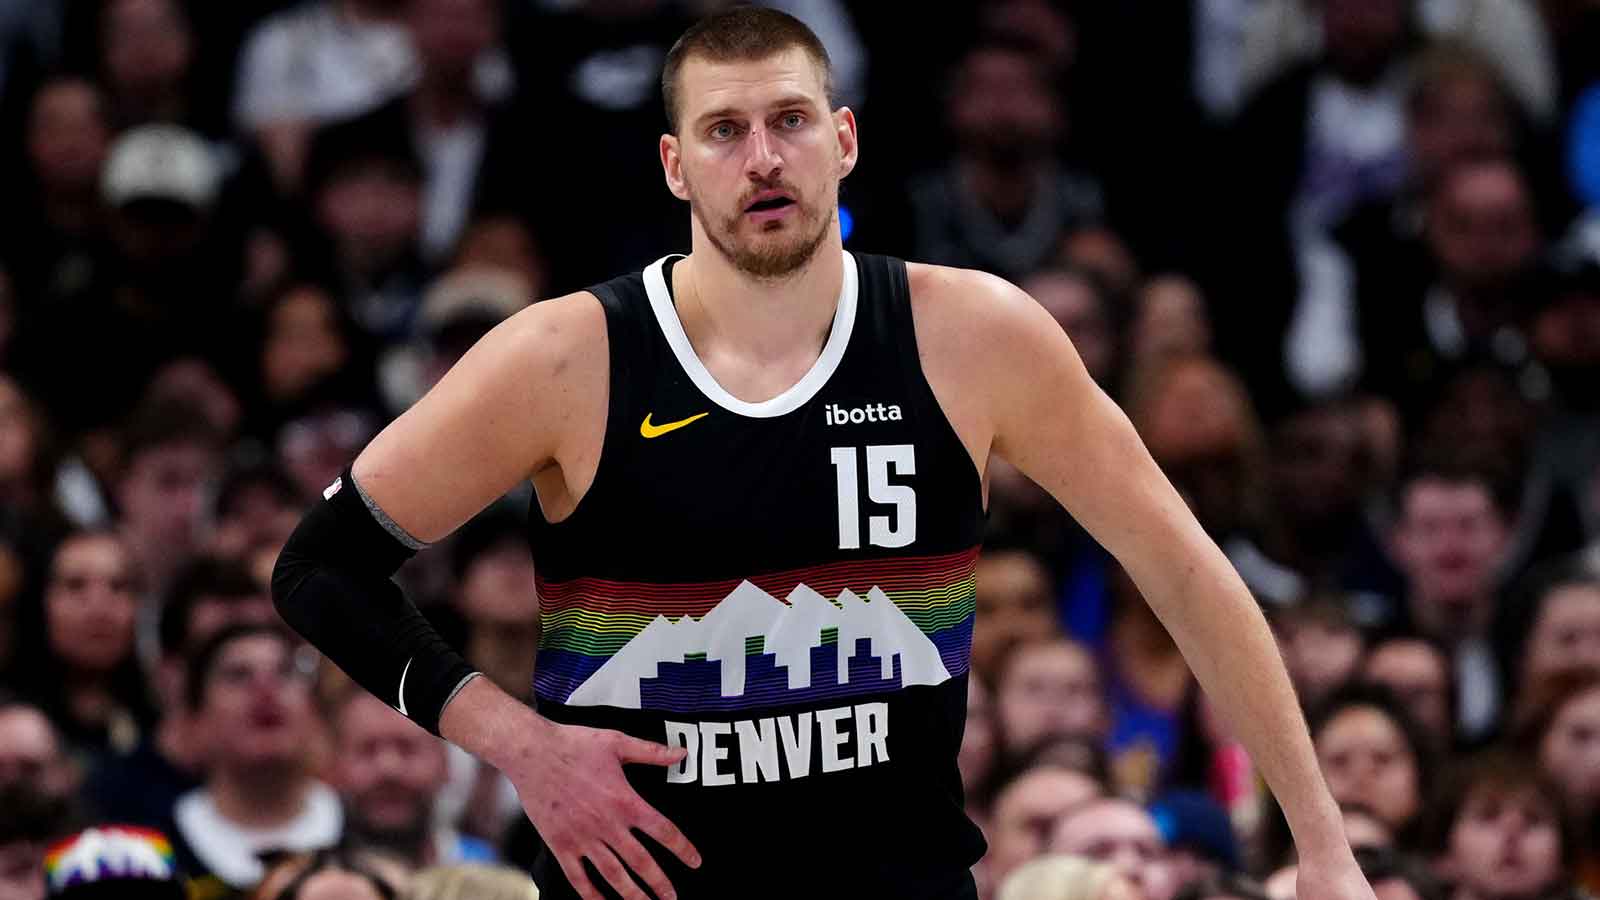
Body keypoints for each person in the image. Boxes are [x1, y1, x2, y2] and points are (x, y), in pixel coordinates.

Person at [272, 9, 1381, 900]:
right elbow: (318, 568)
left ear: (843, 138)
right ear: (673, 166)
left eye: (790, 121)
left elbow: (1186, 570)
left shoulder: (974, 335)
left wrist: (1323, 848)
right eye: (723, 130)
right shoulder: (569, 355)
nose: (763, 158)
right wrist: (514, 742)